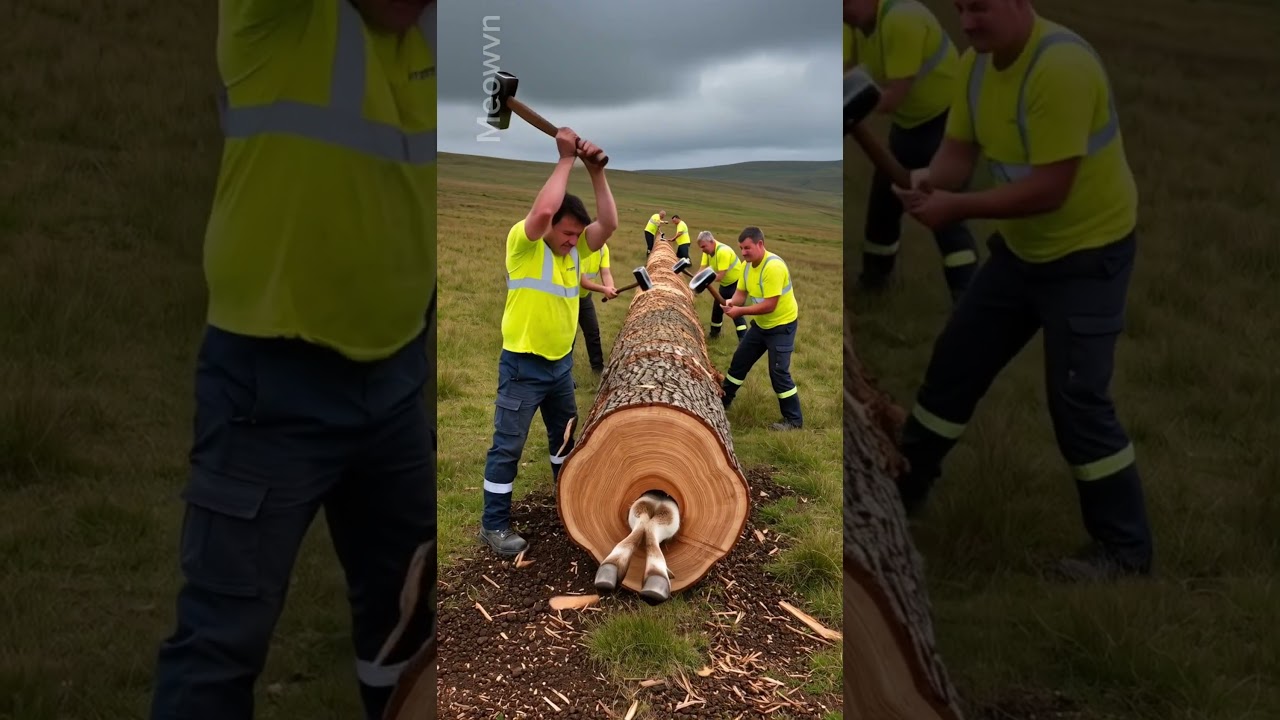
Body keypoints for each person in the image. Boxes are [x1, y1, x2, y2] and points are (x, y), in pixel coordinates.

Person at [149, 2, 437, 719]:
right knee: (221, 645)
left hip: (398, 374)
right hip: (268, 384)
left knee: (406, 626)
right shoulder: (276, 13)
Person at [892, 0, 1153, 582]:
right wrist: (933, 179)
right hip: (1024, 254)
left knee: (1077, 399)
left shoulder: (1060, 68)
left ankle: (1126, 553)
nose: (967, 22)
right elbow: (958, 154)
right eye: (960, 9)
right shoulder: (976, 66)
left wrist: (957, 207)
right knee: (955, 363)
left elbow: (1049, 189)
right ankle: (905, 492)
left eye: (979, 8)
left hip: (1088, 257)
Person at [479, 127, 617, 557]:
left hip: (560, 367)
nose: (573, 241)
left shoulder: (575, 253)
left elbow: (609, 223)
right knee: (508, 447)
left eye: (578, 235)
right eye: (567, 233)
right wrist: (564, 160)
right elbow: (540, 213)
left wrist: (595, 172)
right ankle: (494, 525)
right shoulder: (525, 244)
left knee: (564, 440)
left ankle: (566, 500)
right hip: (522, 366)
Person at [845, 0, 979, 303]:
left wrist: (849, 106)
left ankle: (967, 293)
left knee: (941, 207)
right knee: (885, 199)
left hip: (945, 123)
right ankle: (874, 283)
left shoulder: (901, 21)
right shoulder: (854, 25)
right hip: (909, 124)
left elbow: (893, 97)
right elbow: (839, 71)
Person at [719, 227, 803, 431]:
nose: (743, 252)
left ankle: (793, 421)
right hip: (762, 325)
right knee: (739, 361)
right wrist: (731, 303)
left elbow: (769, 305)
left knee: (778, 372)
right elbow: (740, 293)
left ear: (760, 244)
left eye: (747, 248)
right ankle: (723, 402)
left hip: (781, 327)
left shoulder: (773, 267)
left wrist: (741, 312)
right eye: (741, 248)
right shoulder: (746, 266)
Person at [695, 230, 747, 340]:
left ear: (712, 241)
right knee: (718, 308)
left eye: (704, 246)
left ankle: (743, 338)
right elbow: (702, 268)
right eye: (701, 247)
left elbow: (720, 276)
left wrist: (704, 282)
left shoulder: (723, 252)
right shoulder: (707, 252)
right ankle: (714, 334)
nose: (702, 250)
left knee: (734, 310)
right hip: (725, 284)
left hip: (736, 284)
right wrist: (695, 282)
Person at [577, 240, 618, 374]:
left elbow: (605, 272)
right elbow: (582, 281)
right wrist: (603, 289)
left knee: (593, 331)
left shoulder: (603, 248)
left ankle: (598, 368)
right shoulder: (578, 249)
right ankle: (563, 372)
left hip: (585, 297)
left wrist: (610, 287)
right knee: (568, 336)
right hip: (568, 297)